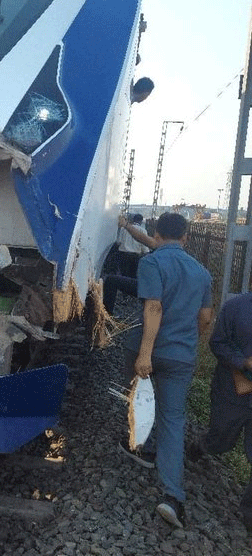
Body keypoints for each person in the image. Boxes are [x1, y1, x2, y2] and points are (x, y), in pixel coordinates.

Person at [119, 212, 213, 529]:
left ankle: (139, 445)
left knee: (137, 394)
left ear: (157, 233)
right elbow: (205, 317)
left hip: (148, 348)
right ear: (186, 237)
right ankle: (173, 497)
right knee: (173, 420)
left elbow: (153, 307)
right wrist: (188, 345)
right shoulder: (201, 272)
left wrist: (145, 353)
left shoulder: (153, 262)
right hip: (181, 355)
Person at [189, 292, 252, 532]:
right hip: (231, 392)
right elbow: (217, 343)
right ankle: (202, 445)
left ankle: (249, 514)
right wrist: (243, 363)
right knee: (222, 441)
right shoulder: (236, 307)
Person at [116, 213, 150, 278]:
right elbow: (145, 248)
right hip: (134, 257)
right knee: (132, 278)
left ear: (133, 220)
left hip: (122, 255)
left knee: (123, 276)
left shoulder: (124, 229)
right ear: (141, 221)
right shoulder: (142, 231)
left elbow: (119, 242)